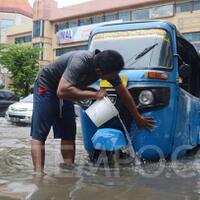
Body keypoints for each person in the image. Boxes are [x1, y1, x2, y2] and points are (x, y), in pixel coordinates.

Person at [31, 49, 154, 172]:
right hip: (46, 86)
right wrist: (95, 95)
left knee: (68, 132)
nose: (114, 78)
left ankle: (68, 171)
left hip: (68, 90)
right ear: (99, 72)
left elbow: (123, 92)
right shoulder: (81, 61)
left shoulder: (108, 69)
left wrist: (138, 117)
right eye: (112, 76)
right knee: (40, 135)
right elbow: (61, 91)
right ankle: (38, 176)